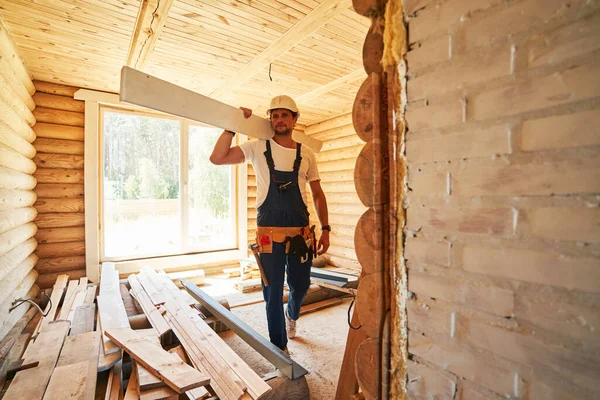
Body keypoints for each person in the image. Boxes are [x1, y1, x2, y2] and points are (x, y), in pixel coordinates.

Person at [209, 95, 330, 352]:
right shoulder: (256, 148)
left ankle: (292, 316)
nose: (279, 120)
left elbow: (318, 194)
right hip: (269, 233)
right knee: (271, 291)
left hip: (300, 234)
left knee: (300, 286)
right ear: (270, 120)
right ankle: (280, 347)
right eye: (274, 115)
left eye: (285, 115)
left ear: (295, 119)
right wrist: (232, 126)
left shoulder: (306, 154)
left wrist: (326, 229)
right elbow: (217, 158)